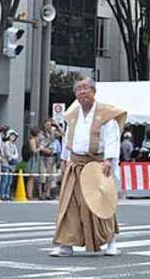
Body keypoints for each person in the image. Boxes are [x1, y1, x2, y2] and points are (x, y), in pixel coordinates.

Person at [50, 77, 126, 257]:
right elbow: (67, 139)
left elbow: (112, 138)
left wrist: (109, 160)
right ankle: (66, 244)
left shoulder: (106, 114)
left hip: (97, 164)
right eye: (78, 89)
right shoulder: (72, 115)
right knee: (69, 204)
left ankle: (111, 241)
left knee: (100, 203)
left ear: (94, 91)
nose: (82, 92)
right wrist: (64, 160)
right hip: (75, 164)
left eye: (85, 88)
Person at [0, 130, 21, 201]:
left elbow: (17, 155)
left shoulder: (14, 145)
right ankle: (2, 194)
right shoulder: (6, 144)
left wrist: (13, 157)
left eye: (14, 136)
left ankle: (7, 194)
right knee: (5, 180)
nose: (13, 137)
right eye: (12, 136)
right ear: (9, 136)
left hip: (11, 165)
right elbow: (7, 154)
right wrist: (12, 157)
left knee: (9, 181)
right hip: (5, 164)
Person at [37, 121, 56, 200]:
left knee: (50, 176)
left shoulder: (52, 133)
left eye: (50, 125)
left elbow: (62, 133)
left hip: (51, 157)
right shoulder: (41, 134)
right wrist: (46, 150)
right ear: (44, 125)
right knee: (42, 176)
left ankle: (48, 194)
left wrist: (56, 125)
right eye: (47, 124)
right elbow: (39, 145)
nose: (49, 126)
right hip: (43, 156)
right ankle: (40, 194)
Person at [25, 128, 40, 200]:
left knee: (31, 178)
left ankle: (29, 194)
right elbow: (34, 151)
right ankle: (29, 194)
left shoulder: (31, 139)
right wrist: (40, 148)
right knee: (31, 178)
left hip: (32, 160)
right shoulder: (33, 140)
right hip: (32, 160)